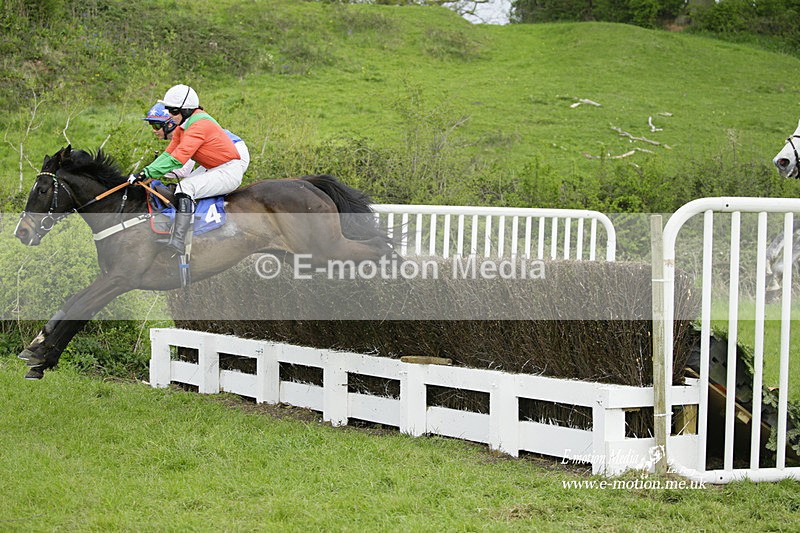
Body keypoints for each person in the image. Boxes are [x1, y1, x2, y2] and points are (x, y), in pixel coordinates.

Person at [129, 84, 249, 253]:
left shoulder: (200, 124)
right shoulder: (183, 127)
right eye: (169, 111)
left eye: (174, 112)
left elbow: (178, 158)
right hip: (215, 167)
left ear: (186, 110)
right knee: (183, 186)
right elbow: (168, 154)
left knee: (185, 187)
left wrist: (147, 173)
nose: (170, 115)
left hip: (229, 170)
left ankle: (178, 240)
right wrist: (144, 173)